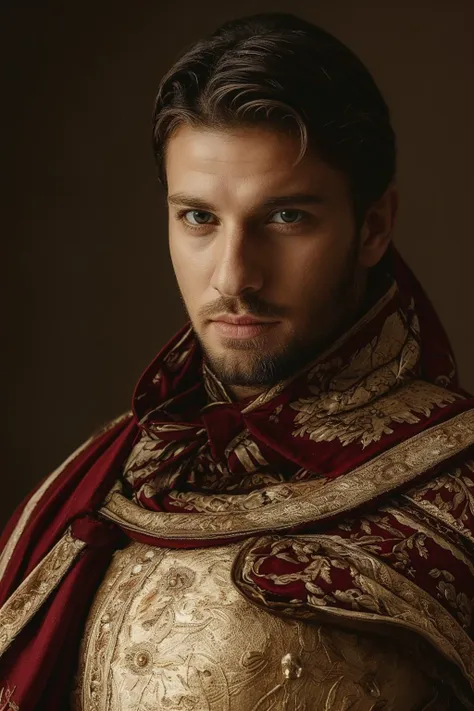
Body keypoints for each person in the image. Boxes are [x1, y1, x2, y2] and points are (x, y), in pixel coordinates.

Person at [1, 12, 473, 711]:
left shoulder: (460, 492)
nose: (233, 276)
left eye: (286, 217)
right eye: (199, 217)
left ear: (373, 228)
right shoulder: (90, 483)